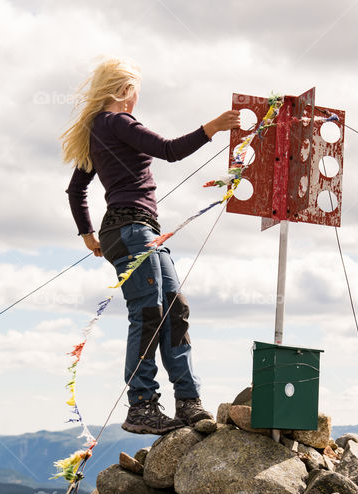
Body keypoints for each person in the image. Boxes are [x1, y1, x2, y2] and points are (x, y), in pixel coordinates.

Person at [61, 57, 240, 435]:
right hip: (130, 230)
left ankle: (188, 402)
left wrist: (89, 235)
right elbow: (170, 150)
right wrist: (213, 127)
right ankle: (142, 405)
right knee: (148, 312)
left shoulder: (99, 130)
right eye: (136, 90)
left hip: (136, 231)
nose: (137, 97)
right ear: (126, 91)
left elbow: (77, 189)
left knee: (174, 308)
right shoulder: (117, 123)